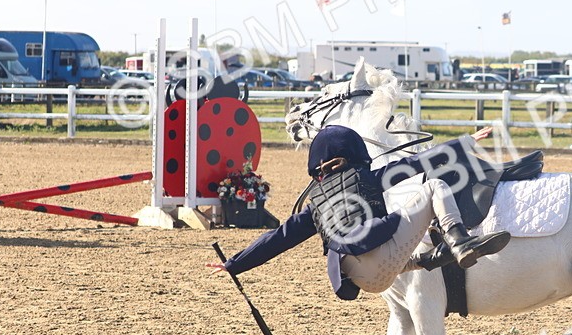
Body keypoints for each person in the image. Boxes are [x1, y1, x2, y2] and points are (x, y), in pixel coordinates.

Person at [208, 125, 511, 298]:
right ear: (355, 154)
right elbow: (419, 162)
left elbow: (278, 238)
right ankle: (459, 242)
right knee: (433, 187)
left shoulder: (314, 206)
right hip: (388, 264)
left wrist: (234, 264)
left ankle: (427, 260)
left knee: (361, 244)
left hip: (362, 281)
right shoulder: (370, 177)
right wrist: (465, 142)